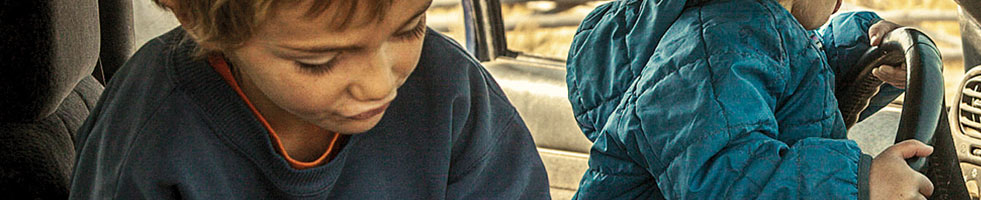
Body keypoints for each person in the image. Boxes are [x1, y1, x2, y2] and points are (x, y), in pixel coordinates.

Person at [70, 0, 549, 198]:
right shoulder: (149, 129)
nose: (379, 85)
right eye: (320, 61)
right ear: (202, 25)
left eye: (410, 28)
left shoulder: (452, 96)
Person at [562, 0, 936, 198]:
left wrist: (866, 48)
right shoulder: (714, 45)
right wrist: (857, 183)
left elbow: (798, 88)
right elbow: (727, 179)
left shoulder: (750, 31)